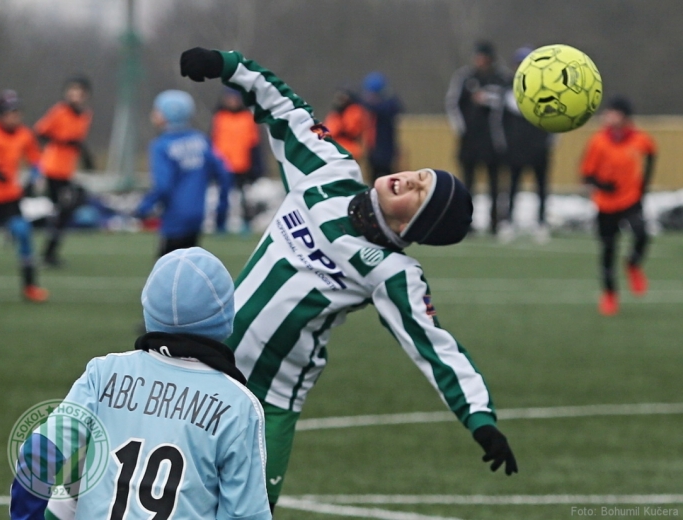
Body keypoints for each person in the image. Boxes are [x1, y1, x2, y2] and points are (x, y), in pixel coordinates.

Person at [180, 47, 518, 511]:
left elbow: (436, 348)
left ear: (410, 229)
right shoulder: (329, 172)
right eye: (420, 175)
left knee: (245, 513)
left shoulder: (392, 271)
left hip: (267, 407)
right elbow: (286, 108)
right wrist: (228, 66)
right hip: (199, 368)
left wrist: (480, 418)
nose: (409, 180)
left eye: (420, 194)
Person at [9, 247, 272, 520]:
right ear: (226, 313)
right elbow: (245, 514)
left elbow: (38, 453)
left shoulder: (103, 372)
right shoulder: (237, 403)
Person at [580, 96, 657, 316]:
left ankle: (633, 264)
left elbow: (651, 153)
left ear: (623, 117)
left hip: (630, 199)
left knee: (642, 234)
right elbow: (587, 174)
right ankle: (610, 294)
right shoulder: (599, 141)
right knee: (608, 250)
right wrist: (603, 185)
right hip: (606, 204)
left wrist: (643, 186)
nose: (607, 116)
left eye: (612, 112)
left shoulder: (638, 139)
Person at [135, 90, 230, 257]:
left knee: (166, 273)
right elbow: (224, 174)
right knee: (188, 268)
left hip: (175, 218)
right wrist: (221, 210)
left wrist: (144, 207)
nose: (154, 114)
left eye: (157, 110)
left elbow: (163, 186)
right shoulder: (201, 140)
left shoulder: (161, 145)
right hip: (197, 216)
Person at [446, 41, 511, 234]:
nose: (480, 61)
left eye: (483, 57)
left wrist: (487, 98)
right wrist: (462, 129)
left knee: (495, 183)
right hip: (470, 140)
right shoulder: (465, 77)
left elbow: (508, 101)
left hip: (493, 140)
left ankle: (495, 222)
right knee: (468, 184)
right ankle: (467, 222)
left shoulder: (502, 77)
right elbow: (452, 103)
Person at [0, 90, 49, 302]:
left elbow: (36, 159)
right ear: (0, 114)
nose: (15, 116)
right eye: (10, 112)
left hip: (9, 200)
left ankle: (30, 287)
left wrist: (37, 176)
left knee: (23, 232)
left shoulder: (24, 134)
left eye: (17, 112)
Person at [34, 76, 94, 267]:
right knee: (65, 209)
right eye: (72, 91)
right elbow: (40, 133)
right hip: (53, 169)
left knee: (67, 209)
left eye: (79, 92)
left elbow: (77, 140)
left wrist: (84, 154)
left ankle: (49, 252)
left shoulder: (85, 115)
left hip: (67, 170)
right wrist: (61, 142)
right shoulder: (59, 111)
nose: (75, 95)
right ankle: (48, 254)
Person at [500, 46, 555, 243]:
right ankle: (508, 222)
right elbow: (506, 116)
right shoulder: (509, 89)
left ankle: (541, 222)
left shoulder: (548, 87)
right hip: (517, 147)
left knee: (541, 186)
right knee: (513, 185)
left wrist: (550, 140)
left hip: (539, 146)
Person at [211, 87, 263, 233]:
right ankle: (220, 225)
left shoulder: (248, 118)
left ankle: (246, 225)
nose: (232, 101)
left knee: (245, 199)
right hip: (223, 164)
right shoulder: (219, 117)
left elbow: (254, 144)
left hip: (242, 165)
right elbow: (213, 141)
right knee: (223, 197)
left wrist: (257, 166)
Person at [360, 71, 403, 183]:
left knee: (386, 180)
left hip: (385, 153)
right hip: (373, 151)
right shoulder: (377, 108)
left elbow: (380, 109)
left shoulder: (389, 105)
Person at [324, 86, 368, 161]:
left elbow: (352, 130)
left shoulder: (353, 111)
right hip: (339, 150)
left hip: (349, 150)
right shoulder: (336, 114)